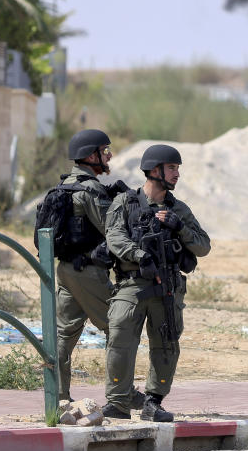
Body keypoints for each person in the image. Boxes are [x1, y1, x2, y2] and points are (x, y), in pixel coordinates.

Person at [103, 144, 210, 421]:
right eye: (172, 168)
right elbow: (114, 238)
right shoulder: (125, 203)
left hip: (167, 288)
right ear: (154, 171)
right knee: (119, 338)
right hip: (132, 285)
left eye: (177, 169)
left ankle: (153, 402)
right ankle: (117, 402)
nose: (177, 174)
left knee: (166, 344)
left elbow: (203, 246)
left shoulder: (178, 209)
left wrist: (179, 227)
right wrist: (139, 256)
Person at [55, 129, 144, 408]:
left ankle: (56, 396)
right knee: (121, 327)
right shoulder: (90, 189)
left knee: (63, 335)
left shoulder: (65, 185)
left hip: (66, 270)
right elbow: (113, 230)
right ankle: (122, 395)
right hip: (89, 272)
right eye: (104, 151)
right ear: (90, 156)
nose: (109, 156)